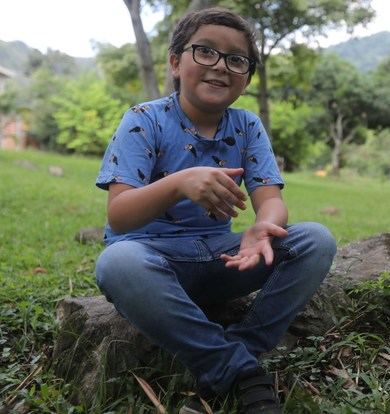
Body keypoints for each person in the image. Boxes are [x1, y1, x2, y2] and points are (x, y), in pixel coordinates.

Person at [94, 7, 336, 413]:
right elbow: (119, 215)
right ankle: (241, 372)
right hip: (152, 264)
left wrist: (263, 227)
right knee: (117, 262)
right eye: (205, 51)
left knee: (315, 240)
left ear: (247, 76)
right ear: (175, 61)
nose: (220, 66)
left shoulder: (246, 126)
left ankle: (234, 354)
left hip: (225, 259)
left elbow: (271, 198)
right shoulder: (143, 120)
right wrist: (178, 184)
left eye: (236, 59)